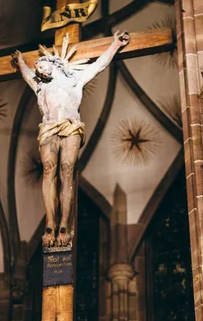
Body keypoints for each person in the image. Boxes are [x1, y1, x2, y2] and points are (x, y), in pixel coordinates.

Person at [14, 30, 130, 248]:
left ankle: (64, 223)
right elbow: (25, 73)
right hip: (48, 128)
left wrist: (115, 45)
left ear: (54, 64)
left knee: (67, 168)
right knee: (49, 168)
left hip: (71, 126)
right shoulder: (40, 87)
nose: (39, 71)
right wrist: (21, 61)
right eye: (37, 69)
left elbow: (98, 66)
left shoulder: (75, 80)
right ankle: (50, 222)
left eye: (41, 67)